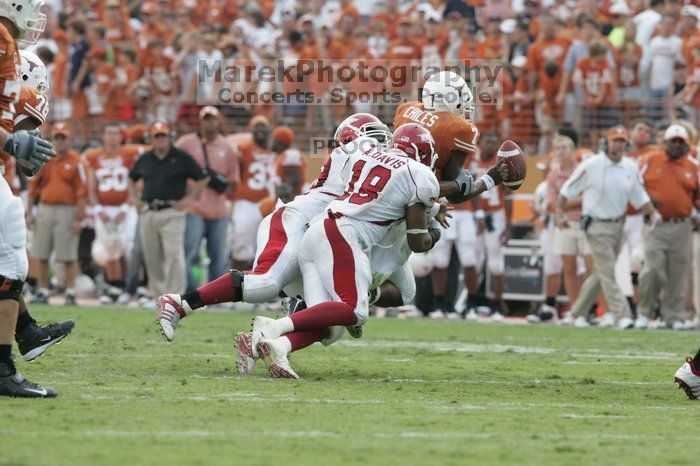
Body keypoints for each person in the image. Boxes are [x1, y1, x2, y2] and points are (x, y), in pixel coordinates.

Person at [246, 123, 442, 378]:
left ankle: (279, 347)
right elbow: (418, 242)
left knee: (329, 321)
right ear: (422, 153)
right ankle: (273, 327)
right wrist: (434, 231)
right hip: (341, 234)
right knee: (354, 311)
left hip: (317, 229)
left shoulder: (366, 155)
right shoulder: (419, 174)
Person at [0, 0, 63, 398]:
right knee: (11, 260)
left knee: (10, 260)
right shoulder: (3, 39)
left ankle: (25, 334)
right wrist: (11, 140)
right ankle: (9, 361)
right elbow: (24, 161)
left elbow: (25, 165)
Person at [558, 125, 657, 330]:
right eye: (615, 140)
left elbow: (639, 195)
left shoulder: (630, 166)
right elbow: (568, 189)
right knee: (608, 271)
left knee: (602, 272)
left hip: (618, 226)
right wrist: (559, 212)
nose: (618, 145)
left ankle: (575, 313)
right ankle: (624, 315)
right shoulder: (592, 164)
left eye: (622, 141)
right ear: (606, 143)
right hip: (596, 225)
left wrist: (652, 212)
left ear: (626, 144)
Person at [127, 121, 208, 298]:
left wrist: (190, 198)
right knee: (152, 256)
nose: (160, 139)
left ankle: (175, 297)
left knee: (174, 255)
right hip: (149, 211)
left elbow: (202, 178)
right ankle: (158, 296)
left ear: (170, 137)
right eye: (157, 136)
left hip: (172, 211)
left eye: (163, 135)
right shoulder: (146, 158)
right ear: (151, 139)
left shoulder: (181, 157)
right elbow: (132, 177)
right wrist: (134, 197)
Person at [636, 124, 698, 330]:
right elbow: (635, 186)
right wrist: (648, 205)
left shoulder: (693, 166)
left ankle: (673, 315)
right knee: (653, 269)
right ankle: (645, 311)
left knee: (678, 273)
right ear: (666, 143)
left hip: (682, 225)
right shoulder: (650, 160)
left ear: (686, 144)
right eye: (674, 141)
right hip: (656, 224)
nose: (677, 145)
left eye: (681, 142)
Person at [175, 106, 240, 291]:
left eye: (213, 119)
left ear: (219, 121)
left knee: (218, 257)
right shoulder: (187, 143)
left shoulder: (227, 147)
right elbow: (171, 163)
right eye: (206, 119)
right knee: (189, 254)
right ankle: (193, 293)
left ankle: (215, 295)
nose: (209, 123)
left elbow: (234, 181)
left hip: (218, 210)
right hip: (193, 207)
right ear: (200, 122)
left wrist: (219, 184)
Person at [27, 122, 85, 306]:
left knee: (68, 254)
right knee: (41, 252)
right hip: (45, 208)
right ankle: (42, 290)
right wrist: (30, 212)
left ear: (69, 139)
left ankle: (70, 291)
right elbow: (33, 187)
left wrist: (78, 217)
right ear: (53, 139)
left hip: (67, 210)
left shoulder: (77, 160)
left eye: (63, 137)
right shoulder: (44, 157)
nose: (60, 141)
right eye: (57, 137)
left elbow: (81, 192)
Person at [84, 123, 140, 304]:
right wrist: (98, 209)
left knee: (131, 247)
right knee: (110, 249)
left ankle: (135, 286)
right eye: (109, 133)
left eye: (115, 133)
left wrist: (126, 207)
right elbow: (91, 186)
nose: (112, 137)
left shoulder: (129, 153)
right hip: (104, 209)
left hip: (126, 208)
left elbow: (136, 181)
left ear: (121, 136)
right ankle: (114, 286)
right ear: (103, 136)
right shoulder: (94, 156)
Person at [229, 115, 276, 271]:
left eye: (263, 126)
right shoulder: (243, 148)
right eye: (257, 126)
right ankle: (235, 281)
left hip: (267, 203)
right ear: (251, 131)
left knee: (263, 245)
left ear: (269, 130)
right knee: (241, 240)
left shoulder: (275, 151)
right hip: (246, 202)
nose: (260, 130)